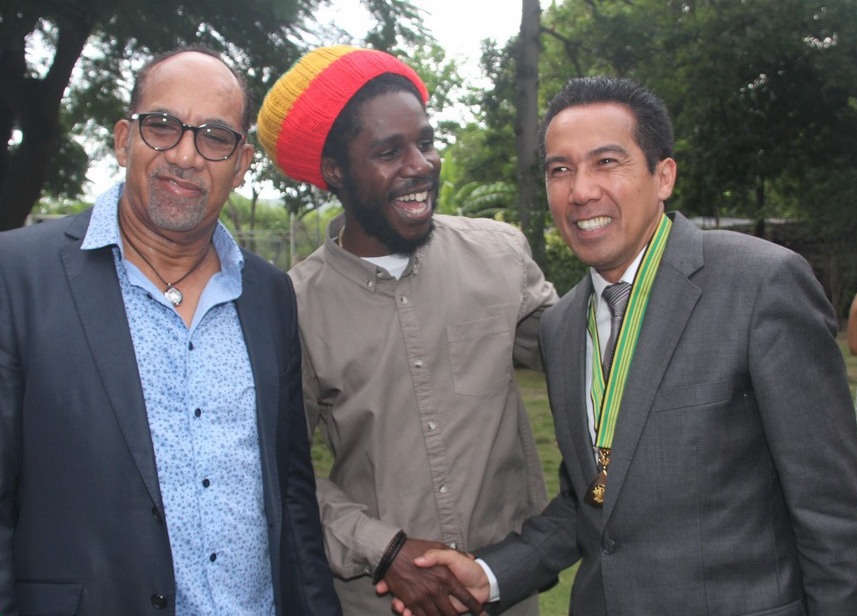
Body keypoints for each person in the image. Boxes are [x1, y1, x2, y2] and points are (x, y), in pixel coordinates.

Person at [401, 76, 857, 616]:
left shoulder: (759, 284)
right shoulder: (562, 326)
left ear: (663, 176)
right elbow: (593, 498)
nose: (581, 191)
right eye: (560, 170)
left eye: (606, 162)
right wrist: (489, 576)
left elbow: (832, 512)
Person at [0, 46, 341, 616]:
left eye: (214, 136)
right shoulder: (17, 277)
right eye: (162, 126)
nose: (185, 155)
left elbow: (291, 493)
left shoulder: (268, 294)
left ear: (241, 164)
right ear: (123, 140)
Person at [255, 45, 558, 616]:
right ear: (335, 172)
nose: (420, 165)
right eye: (389, 151)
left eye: (426, 142)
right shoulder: (294, 306)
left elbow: (586, 357)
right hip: (378, 601)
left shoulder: (500, 256)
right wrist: (383, 549)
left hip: (503, 589)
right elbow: (279, 469)